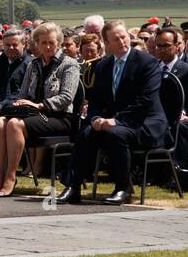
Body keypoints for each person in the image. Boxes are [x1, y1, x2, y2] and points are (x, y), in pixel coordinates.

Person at [59, 20, 168, 206]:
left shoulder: (146, 63)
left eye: (124, 37)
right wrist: (95, 118)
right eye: (116, 39)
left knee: (115, 134)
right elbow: (96, 100)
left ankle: (123, 188)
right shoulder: (103, 65)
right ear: (107, 44)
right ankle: (73, 186)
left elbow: (145, 101)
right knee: (86, 132)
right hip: (115, 122)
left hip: (145, 123)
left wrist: (116, 120)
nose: (122, 42)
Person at [0, 23, 80, 196]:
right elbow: (23, 94)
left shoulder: (69, 65)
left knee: (15, 124)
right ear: (37, 43)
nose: (47, 46)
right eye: (43, 42)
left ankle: (11, 176)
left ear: (59, 42)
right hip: (32, 114)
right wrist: (20, 103)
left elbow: (66, 97)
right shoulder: (34, 65)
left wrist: (39, 105)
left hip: (59, 116)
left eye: (51, 42)